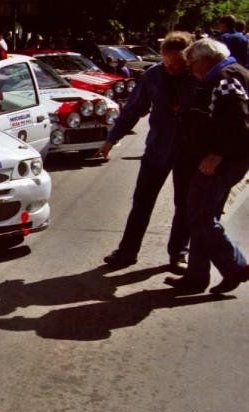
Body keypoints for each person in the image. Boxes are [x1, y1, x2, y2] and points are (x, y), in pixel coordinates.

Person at [97, 32, 196, 273]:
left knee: (185, 205)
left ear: (188, 60)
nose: (171, 68)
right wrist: (112, 139)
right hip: (157, 150)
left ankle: (179, 253)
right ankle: (128, 251)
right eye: (167, 62)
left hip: (189, 152)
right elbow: (133, 109)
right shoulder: (152, 76)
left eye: (177, 64)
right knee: (141, 203)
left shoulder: (198, 77)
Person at [165, 38, 249, 293]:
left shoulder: (225, 78)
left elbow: (237, 122)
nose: (191, 70)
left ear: (205, 60)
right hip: (223, 158)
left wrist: (215, 154)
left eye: (192, 64)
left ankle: (235, 265)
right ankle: (196, 276)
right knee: (201, 216)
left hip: (224, 160)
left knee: (201, 216)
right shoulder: (232, 74)